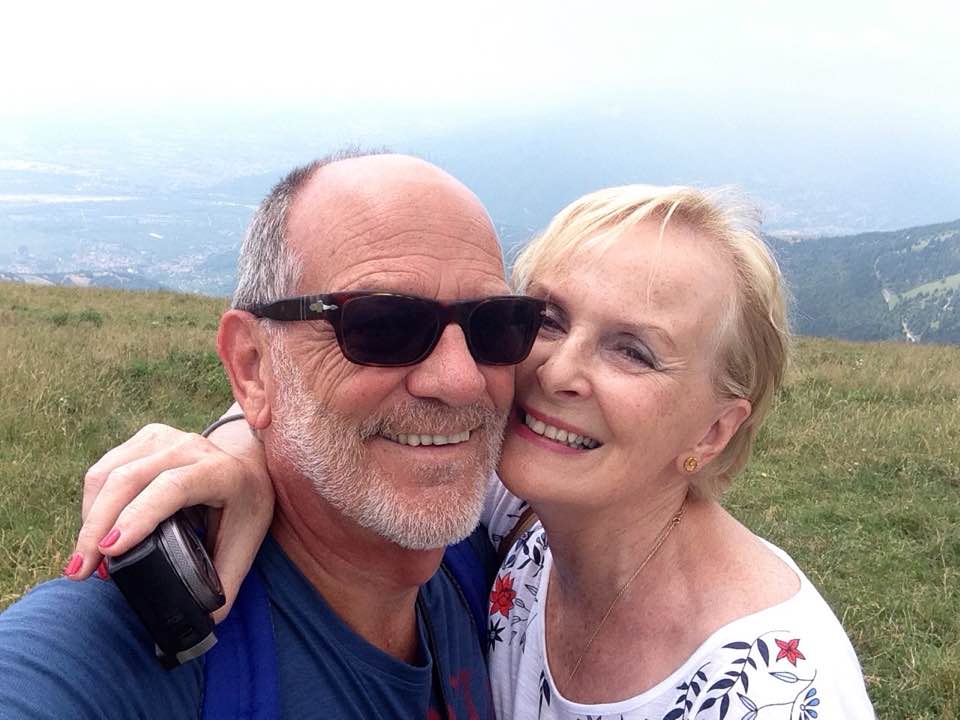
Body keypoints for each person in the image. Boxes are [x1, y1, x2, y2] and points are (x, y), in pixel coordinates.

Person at [62, 182, 878, 718]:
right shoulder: (518, 507)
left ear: (712, 431)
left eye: (633, 351)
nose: (556, 370)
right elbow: (354, 431)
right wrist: (241, 448)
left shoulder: (773, 690)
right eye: (544, 319)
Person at [0, 151, 552, 718]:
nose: (461, 381)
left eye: (496, 325)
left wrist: (237, 435)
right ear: (251, 366)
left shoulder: (497, 562)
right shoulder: (139, 637)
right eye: (382, 326)